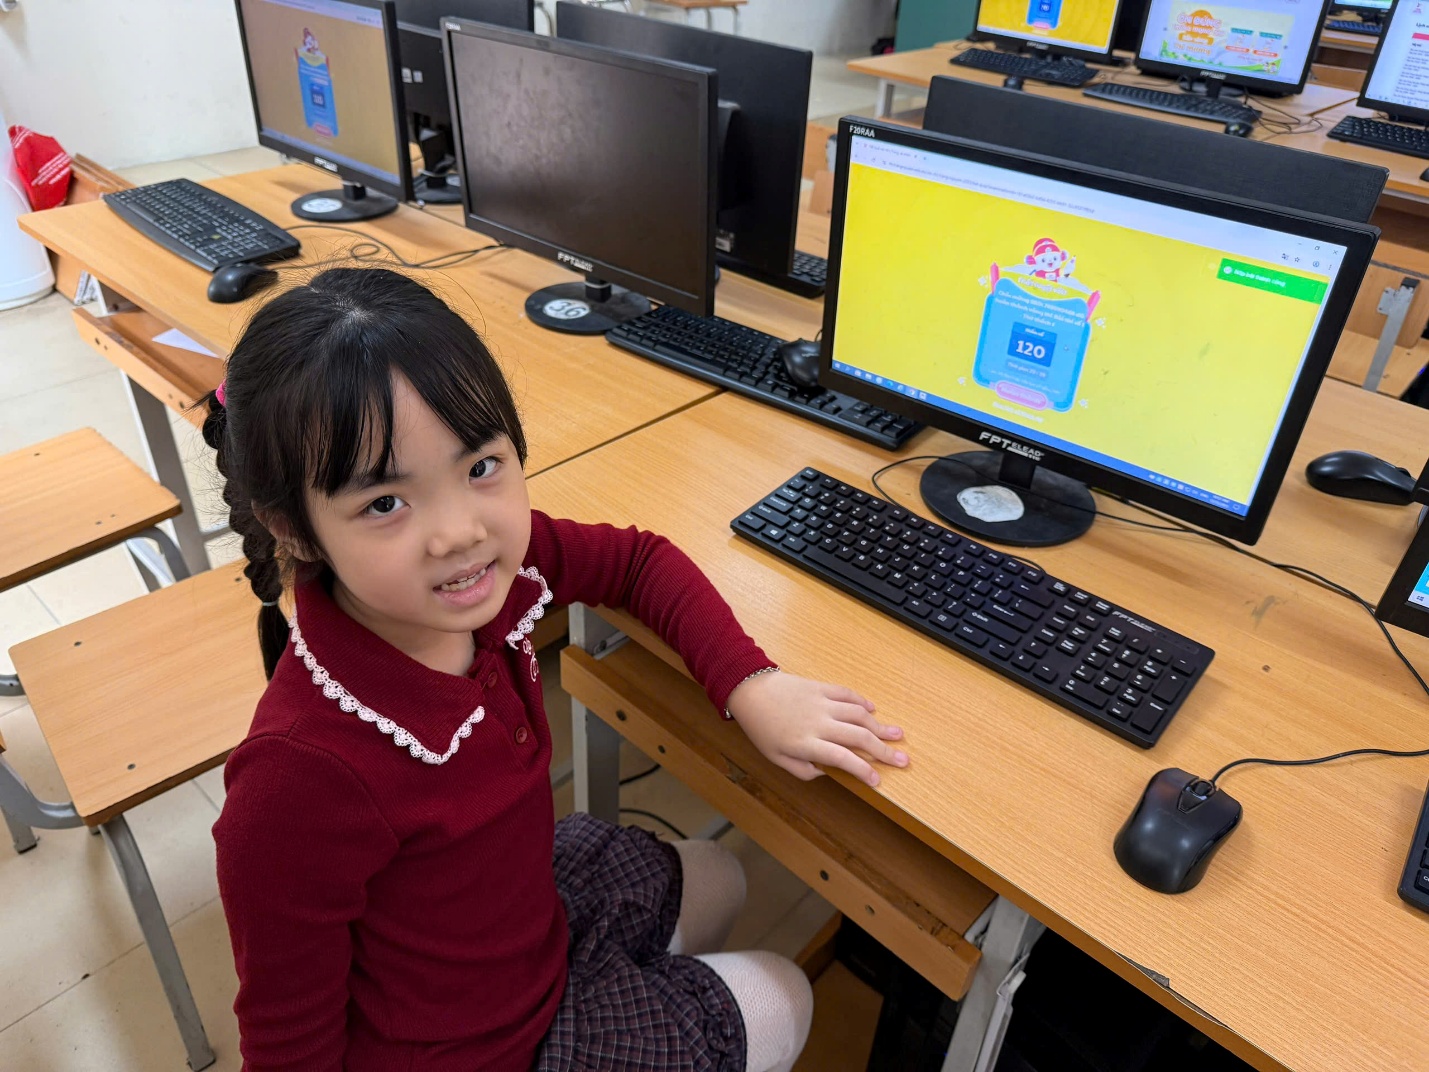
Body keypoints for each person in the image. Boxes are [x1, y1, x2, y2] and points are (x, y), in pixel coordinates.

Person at [207, 267, 910, 1072]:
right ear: (293, 528)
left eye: (480, 466)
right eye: (384, 504)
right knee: (784, 995)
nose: (460, 534)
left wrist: (750, 683)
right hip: (479, 1050)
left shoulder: (484, 577)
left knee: (721, 874)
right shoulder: (296, 783)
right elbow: (286, 1048)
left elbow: (637, 561)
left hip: (522, 923)